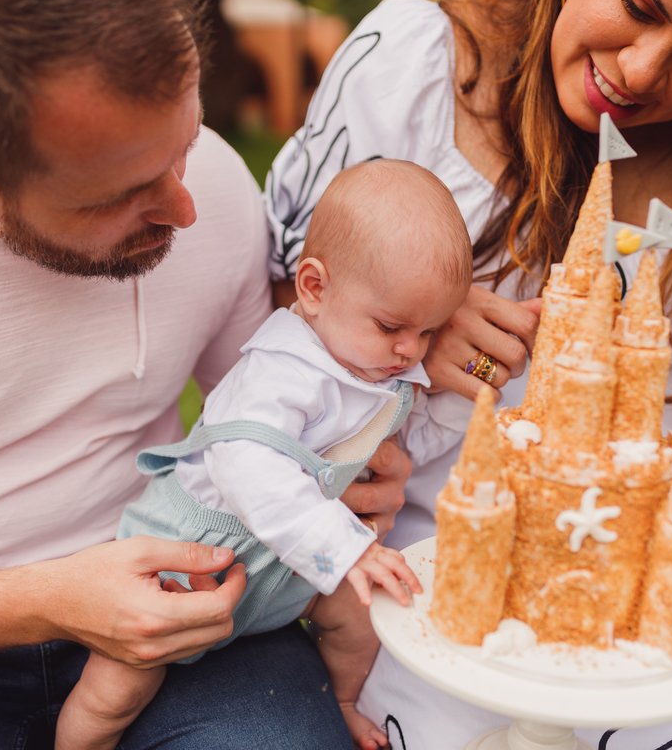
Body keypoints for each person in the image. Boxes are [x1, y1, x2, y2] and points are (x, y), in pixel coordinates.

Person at [0, 0, 412, 746]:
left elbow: (268, 410)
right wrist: (43, 600)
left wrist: (349, 450)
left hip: (188, 610)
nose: (184, 206)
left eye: (184, 145)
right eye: (123, 195)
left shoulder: (204, 182)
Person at [264, 0, 672, 746]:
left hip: (657, 600)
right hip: (427, 580)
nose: (639, 72)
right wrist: (401, 332)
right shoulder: (417, 68)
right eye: (637, 4)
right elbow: (286, 300)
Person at [56, 160, 470, 750]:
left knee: (358, 615)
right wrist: (344, 550)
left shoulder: (376, 372)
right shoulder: (281, 369)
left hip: (284, 575)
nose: (410, 350)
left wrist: (460, 396)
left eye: (429, 332)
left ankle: (347, 700)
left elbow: (416, 446)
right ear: (314, 288)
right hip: (188, 567)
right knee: (114, 691)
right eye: (392, 326)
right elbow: (248, 467)